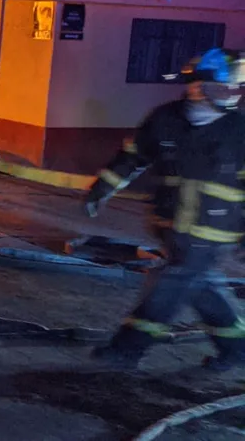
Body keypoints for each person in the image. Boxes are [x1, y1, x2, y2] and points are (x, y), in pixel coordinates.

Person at [86, 47, 245, 371]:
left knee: (169, 285)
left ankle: (128, 348)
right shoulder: (165, 120)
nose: (233, 94)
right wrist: (100, 189)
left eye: (236, 87)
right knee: (202, 287)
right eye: (225, 86)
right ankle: (237, 350)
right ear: (198, 86)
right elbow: (133, 157)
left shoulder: (239, 131)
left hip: (215, 232)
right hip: (172, 227)